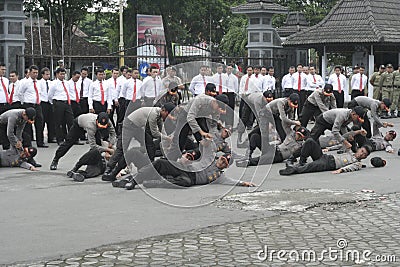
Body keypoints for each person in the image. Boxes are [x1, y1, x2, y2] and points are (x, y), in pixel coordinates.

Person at [118, 153, 255, 190]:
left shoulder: (220, 176)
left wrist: (244, 183)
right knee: (159, 163)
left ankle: (153, 183)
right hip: (184, 168)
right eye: (223, 159)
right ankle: (133, 180)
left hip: (190, 179)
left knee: (185, 182)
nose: (222, 161)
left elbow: (232, 182)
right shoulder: (208, 159)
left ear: (226, 166)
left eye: (225, 162)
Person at [50, 112, 116, 170]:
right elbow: (93, 146)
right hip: (79, 124)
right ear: (97, 121)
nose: (102, 127)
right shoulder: (91, 126)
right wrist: (108, 149)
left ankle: (95, 163)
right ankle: (56, 159)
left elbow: (113, 133)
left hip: (92, 126)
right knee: (69, 142)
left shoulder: (108, 122)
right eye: (100, 125)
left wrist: (111, 144)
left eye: (104, 126)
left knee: (98, 143)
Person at [279, 138, 371, 175]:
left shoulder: (357, 163)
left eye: (364, 155)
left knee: (311, 166)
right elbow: (341, 143)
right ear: (359, 149)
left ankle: (293, 169)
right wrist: (329, 148)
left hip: (329, 164)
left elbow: (351, 167)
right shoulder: (350, 151)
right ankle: (301, 162)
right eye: (362, 151)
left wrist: (340, 170)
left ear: (365, 157)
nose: (362, 154)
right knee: (310, 142)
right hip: (325, 156)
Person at [237, 126, 310, 167]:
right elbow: (284, 123)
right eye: (298, 134)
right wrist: (295, 123)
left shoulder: (302, 145)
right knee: (255, 136)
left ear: (303, 137)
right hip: (273, 148)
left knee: (262, 159)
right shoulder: (290, 134)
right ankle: (248, 155)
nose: (298, 136)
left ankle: (248, 162)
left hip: (279, 156)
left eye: (301, 136)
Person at [19, 65, 46, 148]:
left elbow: (40, 92)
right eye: (33, 72)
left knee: (40, 123)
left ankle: (40, 142)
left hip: (37, 105)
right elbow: (20, 93)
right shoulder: (25, 82)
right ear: (29, 73)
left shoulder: (39, 83)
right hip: (28, 104)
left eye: (36, 73)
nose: (35, 74)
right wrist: (23, 103)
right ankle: (27, 143)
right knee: (27, 124)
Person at [48, 68, 75, 145]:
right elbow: (50, 95)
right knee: (58, 122)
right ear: (57, 74)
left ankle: (70, 138)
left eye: (64, 74)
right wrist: (53, 103)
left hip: (66, 103)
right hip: (58, 102)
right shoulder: (54, 83)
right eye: (61, 74)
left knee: (70, 120)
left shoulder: (67, 83)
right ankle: (59, 139)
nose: (63, 76)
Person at [37, 68, 56, 143]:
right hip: (43, 103)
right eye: (46, 74)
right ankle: (41, 139)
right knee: (42, 122)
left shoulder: (50, 83)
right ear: (42, 75)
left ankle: (51, 137)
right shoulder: (39, 83)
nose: (48, 76)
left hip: (50, 103)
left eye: (49, 74)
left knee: (51, 121)